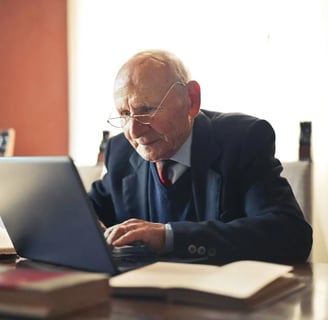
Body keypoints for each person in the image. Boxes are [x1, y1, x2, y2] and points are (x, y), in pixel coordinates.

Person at [88, 49, 312, 265]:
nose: (134, 131)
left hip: (221, 299)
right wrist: (84, 227)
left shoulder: (242, 141)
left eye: (147, 109)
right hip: (141, 299)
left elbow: (290, 234)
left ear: (191, 100)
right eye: (125, 114)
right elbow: (87, 211)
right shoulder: (121, 153)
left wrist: (168, 236)